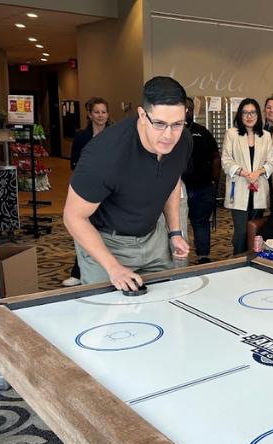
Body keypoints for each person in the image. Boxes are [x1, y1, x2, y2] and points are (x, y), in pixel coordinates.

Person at [64, 77, 192, 291]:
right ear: (142, 115)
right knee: (109, 309)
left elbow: (172, 182)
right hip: (107, 244)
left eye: (177, 124)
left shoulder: (183, 140)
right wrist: (113, 267)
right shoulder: (104, 155)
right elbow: (73, 217)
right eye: (159, 124)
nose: (169, 135)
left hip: (153, 238)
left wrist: (175, 233)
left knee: (164, 301)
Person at [62, 97, 112, 287]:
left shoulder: (115, 133)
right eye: (97, 112)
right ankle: (78, 272)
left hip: (112, 190)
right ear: (90, 115)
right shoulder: (82, 136)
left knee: (110, 230)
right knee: (84, 229)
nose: (100, 115)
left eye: (103, 112)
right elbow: (74, 163)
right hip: (90, 190)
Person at [222, 98, 273, 255]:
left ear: (258, 114)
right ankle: (238, 259)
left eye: (252, 112)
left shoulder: (265, 136)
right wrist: (245, 174)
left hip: (258, 189)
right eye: (245, 113)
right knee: (241, 232)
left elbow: (271, 163)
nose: (249, 116)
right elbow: (226, 161)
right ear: (240, 115)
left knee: (255, 230)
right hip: (238, 188)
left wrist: (257, 173)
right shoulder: (231, 134)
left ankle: (253, 260)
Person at [182, 97, 220, 265]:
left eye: (190, 109)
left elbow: (215, 156)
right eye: (184, 108)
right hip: (177, 188)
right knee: (176, 224)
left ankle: (203, 255)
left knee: (201, 222)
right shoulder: (169, 132)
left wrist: (214, 180)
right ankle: (178, 257)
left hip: (202, 187)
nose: (187, 112)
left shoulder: (202, 132)